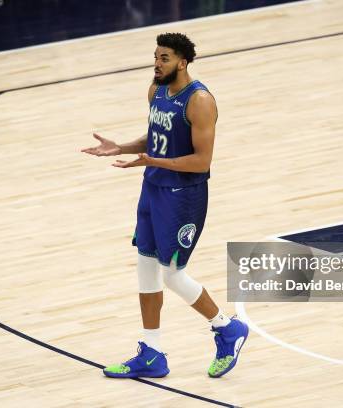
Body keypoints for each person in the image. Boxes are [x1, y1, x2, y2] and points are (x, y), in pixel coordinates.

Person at [81, 32, 248, 379]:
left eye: (165, 58)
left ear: (183, 62)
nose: (157, 64)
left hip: (183, 195)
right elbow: (158, 139)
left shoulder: (200, 100)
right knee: (144, 266)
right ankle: (153, 353)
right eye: (155, 57)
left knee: (172, 275)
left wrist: (153, 161)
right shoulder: (155, 90)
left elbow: (202, 161)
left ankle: (226, 328)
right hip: (153, 187)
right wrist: (123, 148)